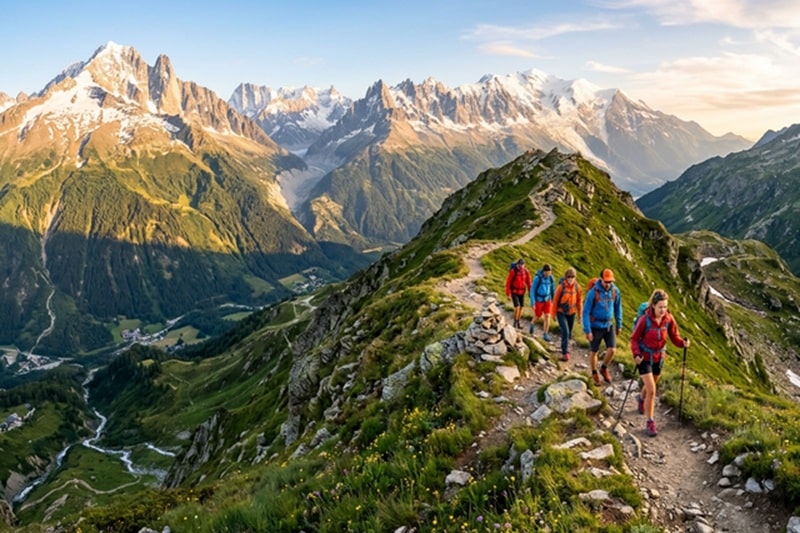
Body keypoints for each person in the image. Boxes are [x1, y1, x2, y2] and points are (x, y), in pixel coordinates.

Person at [630, 289, 690, 437]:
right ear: (653, 305)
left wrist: (682, 343)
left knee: (650, 386)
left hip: (659, 357)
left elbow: (674, 337)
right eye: (660, 307)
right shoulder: (644, 320)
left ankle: (641, 399)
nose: (663, 310)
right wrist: (636, 354)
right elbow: (634, 338)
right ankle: (650, 422)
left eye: (665, 307)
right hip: (644, 358)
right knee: (652, 389)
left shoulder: (668, 319)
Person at [582, 268, 622, 386]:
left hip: (608, 325)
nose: (608, 284)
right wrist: (587, 330)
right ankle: (594, 372)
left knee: (612, 350)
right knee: (594, 351)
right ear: (601, 279)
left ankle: (604, 368)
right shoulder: (593, 292)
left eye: (610, 281)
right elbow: (586, 312)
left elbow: (618, 308)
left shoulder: (615, 291)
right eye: (606, 282)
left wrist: (619, 324)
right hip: (595, 326)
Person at [552, 267, 582, 361]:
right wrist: (553, 314)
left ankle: (566, 347)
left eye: (572, 277)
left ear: (575, 277)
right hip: (561, 312)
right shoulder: (561, 287)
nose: (571, 279)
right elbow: (555, 301)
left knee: (569, 333)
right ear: (566, 277)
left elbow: (579, 302)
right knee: (566, 331)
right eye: (569, 277)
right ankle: (565, 352)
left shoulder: (577, 287)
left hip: (572, 313)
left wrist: (580, 315)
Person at [530, 263, 555, 341]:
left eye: (549, 272)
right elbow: (532, 291)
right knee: (538, 316)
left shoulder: (551, 278)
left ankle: (545, 334)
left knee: (547, 316)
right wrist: (533, 302)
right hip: (539, 299)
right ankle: (532, 324)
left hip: (547, 299)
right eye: (546, 272)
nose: (548, 273)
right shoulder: (537, 278)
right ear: (543, 271)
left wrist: (554, 301)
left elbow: (552, 290)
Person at [505, 259, 531, 329]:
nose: (520, 266)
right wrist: (508, 294)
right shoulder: (513, 271)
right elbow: (508, 282)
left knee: (521, 308)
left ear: (524, 265)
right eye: (519, 265)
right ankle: (514, 322)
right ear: (517, 264)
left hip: (522, 292)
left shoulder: (526, 272)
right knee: (517, 307)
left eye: (522, 265)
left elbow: (528, 282)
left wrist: (530, 292)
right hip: (514, 292)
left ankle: (518, 322)